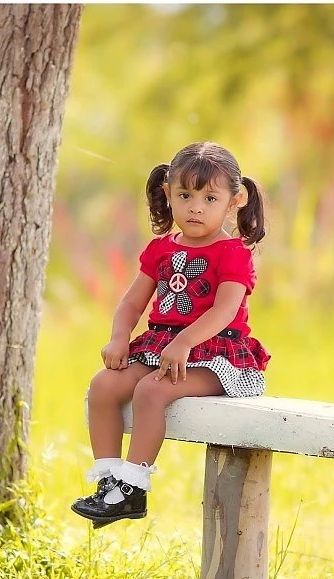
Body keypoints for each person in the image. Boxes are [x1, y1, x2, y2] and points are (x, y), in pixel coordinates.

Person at [70, 141, 271, 529]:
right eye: (185, 195)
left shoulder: (233, 252)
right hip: (162, 345)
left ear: (233, 202)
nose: (196, 206)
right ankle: (109, 483)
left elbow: (225, 310)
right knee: (104, 386)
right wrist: (118, 337)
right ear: (168, 194)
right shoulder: (161, 249)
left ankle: (133, 488)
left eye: (210, 198)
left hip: (216, 354)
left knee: (151, 391)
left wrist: (184, 343)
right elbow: (132, 303)